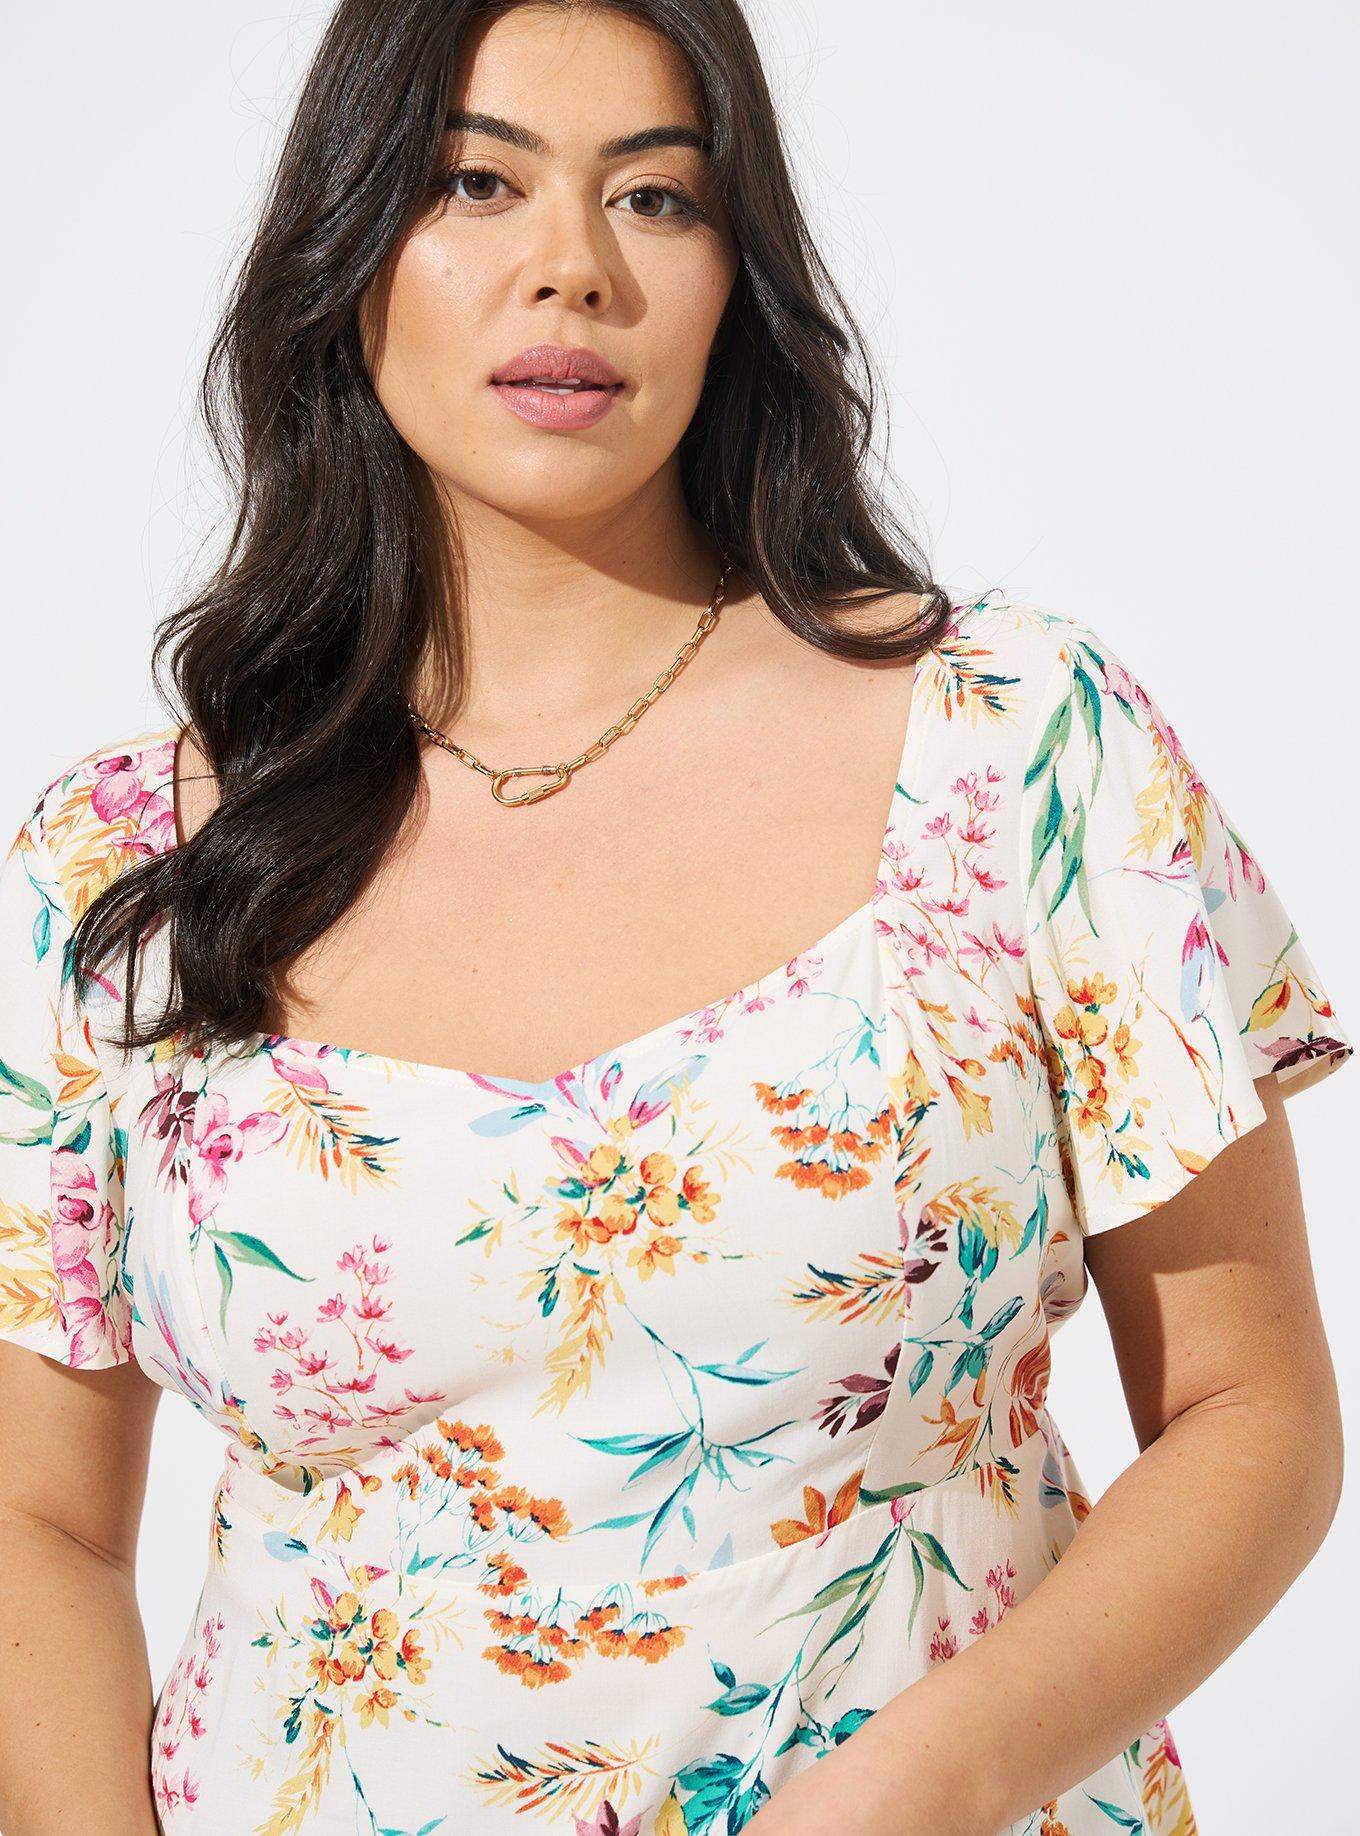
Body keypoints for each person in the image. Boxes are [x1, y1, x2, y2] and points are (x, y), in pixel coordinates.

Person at [0, 2, 1351, 1832]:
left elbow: (1254, 1417)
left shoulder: (1022, 749)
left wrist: (918, 1792)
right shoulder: (120, 867)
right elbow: (40, 1519)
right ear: (346, 249)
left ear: (737, 276)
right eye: (474, 183)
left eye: (656, 197)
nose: (572, 266)